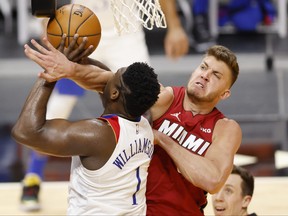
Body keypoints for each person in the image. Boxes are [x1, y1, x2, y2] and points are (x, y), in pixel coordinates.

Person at [24, 35, 242, 215]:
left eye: (215, 75)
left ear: (226, 93)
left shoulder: (225, 128)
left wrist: (163, 139)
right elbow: (107, 81)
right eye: (203, 67)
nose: (204, 76)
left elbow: (212, 181)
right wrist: (70, 69)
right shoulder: (166, 97)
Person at [20, 0, 190, 212]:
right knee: (58, 108)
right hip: (78, 29)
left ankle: (141, 183)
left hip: (124, 31)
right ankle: (33, 177)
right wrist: (47, 19)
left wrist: (174, 26)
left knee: (144, 107)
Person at [12, 38, 161, 214]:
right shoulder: (146, 125)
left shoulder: (97, 135)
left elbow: (26, 131)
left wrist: (50, 73)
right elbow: (107, 83)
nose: (107, 75)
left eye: (113, 76)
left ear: (114, 93)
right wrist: (81, 60)